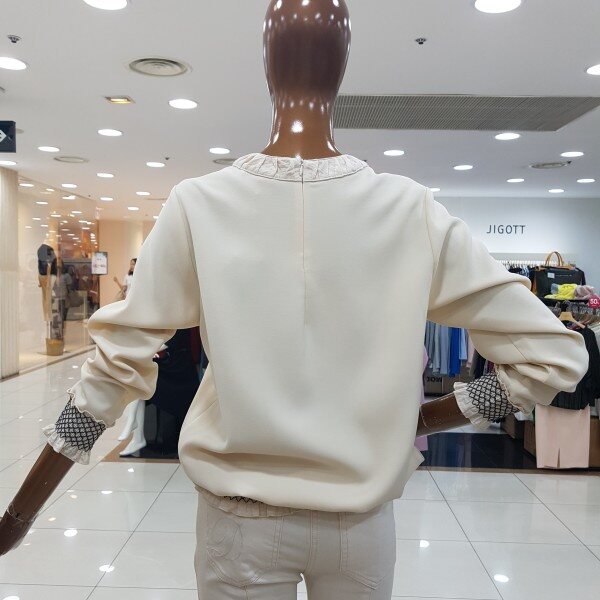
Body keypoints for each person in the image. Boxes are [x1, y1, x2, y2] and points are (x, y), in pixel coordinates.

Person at [0, 3, 589, 599]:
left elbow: (112, 374)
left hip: (240, 520)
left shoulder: (200, 204)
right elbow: (554, 358)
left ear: (266, 65)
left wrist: (20, 515)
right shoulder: (410, 210)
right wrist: (422, 420)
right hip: (359, 525)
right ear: (343, 66)